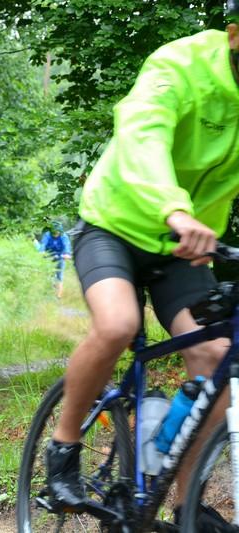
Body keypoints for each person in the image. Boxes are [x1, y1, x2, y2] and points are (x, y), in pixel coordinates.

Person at [44, 5, 239, 528]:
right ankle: (63, 449)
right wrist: (174, 209)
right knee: (117, 324)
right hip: (115, 224)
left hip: (184, 248)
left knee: (216, 358)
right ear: (234, 34)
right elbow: (142, 137)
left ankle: (187, 507)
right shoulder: (181, 65)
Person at [36, 221, 72, 298]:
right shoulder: (47, 235)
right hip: (49, 255)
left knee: (60, 276)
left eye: (57, 232)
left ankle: (58, 296)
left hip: (60, 256)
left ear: (60, 231)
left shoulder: (64, 236)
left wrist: (67, 254)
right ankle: (47, 292)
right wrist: (41, 251)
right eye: (54, 232)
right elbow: (43, 244)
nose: (56, 234)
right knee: (48, 274)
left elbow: (66, 246)